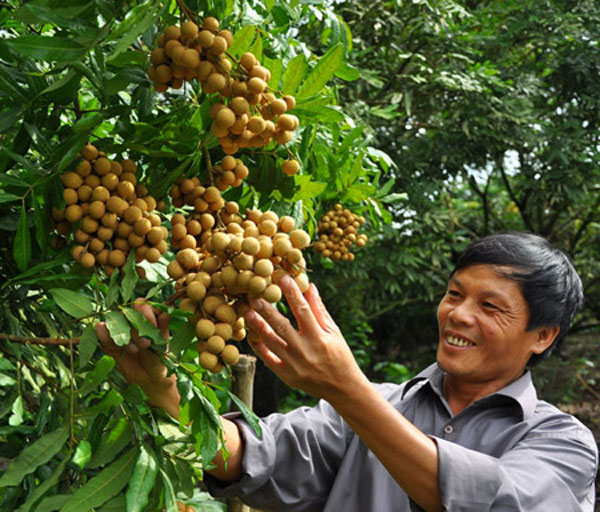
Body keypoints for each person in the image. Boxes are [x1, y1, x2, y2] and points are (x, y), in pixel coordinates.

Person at [98, 232, 598, 511]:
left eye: (491, 306)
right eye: (454, 294)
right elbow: (249, 456)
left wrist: (346, 388)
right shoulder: (368, 408)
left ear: (543, 335)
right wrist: (159, 385)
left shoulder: (563, 442)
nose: (459, 315)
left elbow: (496, 503)